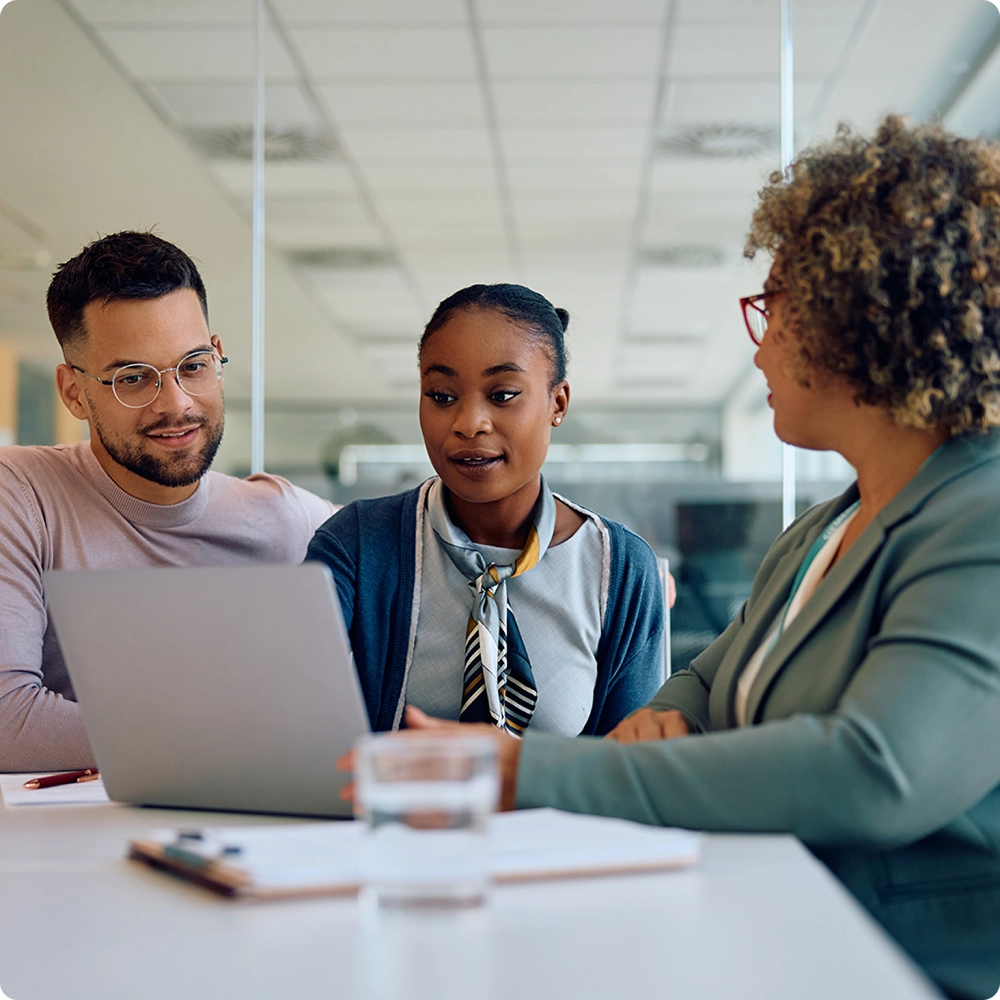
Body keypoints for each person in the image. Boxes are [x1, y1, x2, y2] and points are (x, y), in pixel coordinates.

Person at [392, 120, 1000, 1000]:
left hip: (914, 966)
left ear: (859, 314)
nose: (757, 340)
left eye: (775, 306)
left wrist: (535, 769)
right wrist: (667, 719)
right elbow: (706, 687)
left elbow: (874, 771)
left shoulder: (981, 518)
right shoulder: (820, 533)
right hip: (781, 936)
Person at [0, 231, 336, 772]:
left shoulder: (287, 519)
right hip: (70, 842)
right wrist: (250, 735)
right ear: (72, 392)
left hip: (248, 835)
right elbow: (7, 722)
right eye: (134, 378)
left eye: (195, 365)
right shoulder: (20, 495)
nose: (176, 403)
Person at [308, 284, 665, 736]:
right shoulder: (357, 543)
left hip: (554, 808)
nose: (468, 423)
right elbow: (294, 721)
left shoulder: (622, 570)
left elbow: (630, 770)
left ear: (557, 403)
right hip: (398, 805)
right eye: (441, 395)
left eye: (502, 395)